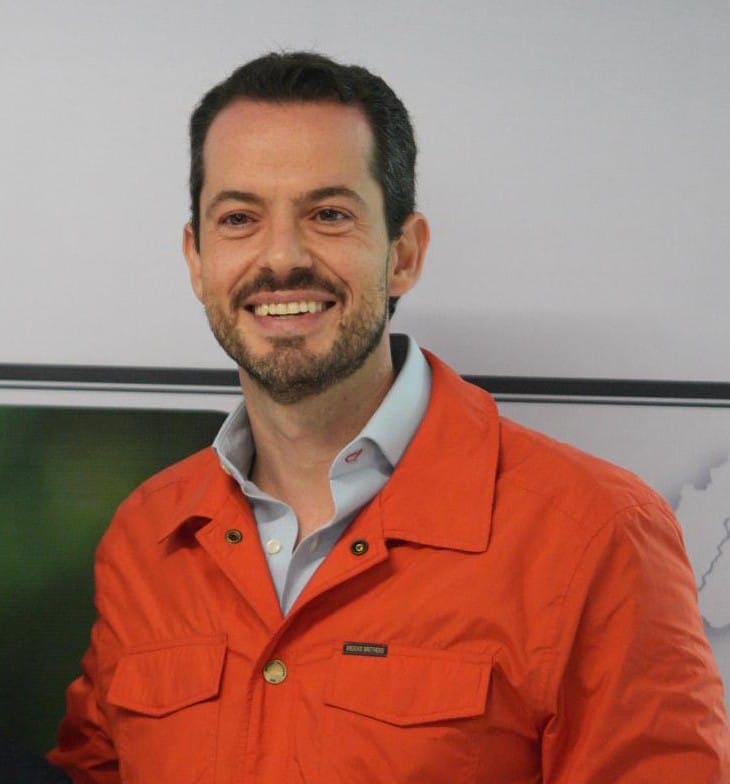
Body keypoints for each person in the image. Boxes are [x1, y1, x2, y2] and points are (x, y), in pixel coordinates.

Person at [48, 51, 729, 783]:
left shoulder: (595, 534)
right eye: (239, 219)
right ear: (197, 258)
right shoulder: (147, 538)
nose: (282, 257)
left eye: (329, 215)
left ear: (404, 254)